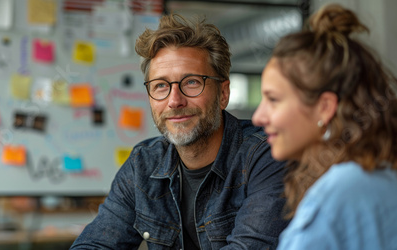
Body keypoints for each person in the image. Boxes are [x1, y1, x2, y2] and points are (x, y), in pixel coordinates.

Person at [70, 14, 289, 249]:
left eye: (192, 82)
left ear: (223, 94)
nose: (174, 101)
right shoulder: (143, 163)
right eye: (161, 86)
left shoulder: (267, 155)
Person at [252, 3, 397, 250]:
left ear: (324, 107)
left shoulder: (339, 194)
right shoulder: (389, 175)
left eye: (273, 99)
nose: (258, 117)